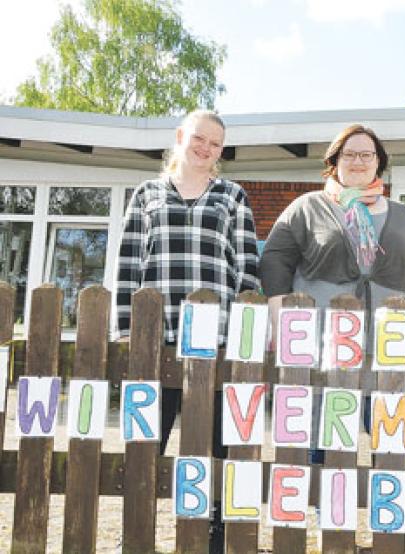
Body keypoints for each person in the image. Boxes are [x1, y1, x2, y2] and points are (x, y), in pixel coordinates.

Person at [114, 109, 260, 551]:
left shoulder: (232, 196)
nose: (206, 149)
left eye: (215, 144)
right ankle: (135, 531)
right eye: (200, 139)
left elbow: (248, 272)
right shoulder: (146, 194)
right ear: (180, 137)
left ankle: (214, 534)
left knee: (216, 443)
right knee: (146, 443)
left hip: (214, 343)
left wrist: (241, 335)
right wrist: (126, 329)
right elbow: (127, 266)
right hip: (156, 339)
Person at [259, 123, 405, 349]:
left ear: (378, 161)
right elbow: (275, 263)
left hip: (389, 345)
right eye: (349, 155)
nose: (358, 162)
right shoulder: (307, 207)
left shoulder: (404, 215)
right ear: (335, 161)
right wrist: (280, 322)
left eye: (366, 155)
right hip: (318, 343)